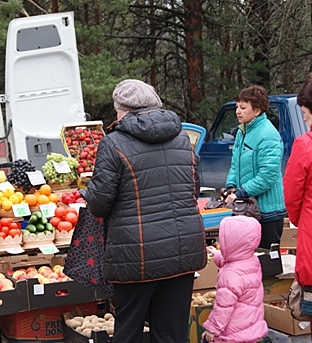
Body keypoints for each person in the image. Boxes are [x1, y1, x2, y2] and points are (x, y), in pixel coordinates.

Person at [84, 79, 207, 342]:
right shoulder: (182, 139)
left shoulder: (112, 143)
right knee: (172, 333)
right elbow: (192, 190)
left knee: (129, 331)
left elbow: (99, 204)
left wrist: (88, 190)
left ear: (122, 110)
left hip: (134, 254)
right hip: (182, 251)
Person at [223, 85, 286, 249]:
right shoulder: (241, 131)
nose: (238, 111)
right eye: (237, 106)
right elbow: (235, 164)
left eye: (243, 107)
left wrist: (241, 192)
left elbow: (268, 175)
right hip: (246, 210)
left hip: (267, 213)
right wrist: (230, 187)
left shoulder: (268, 134)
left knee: (266, 265)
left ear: (257, 111)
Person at [201, 216, 268, 343]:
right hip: (250, 326)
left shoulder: (230, 275)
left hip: (231, 333)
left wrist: (212, 328)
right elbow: (231, 260)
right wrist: (216, 254)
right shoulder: (251, 260)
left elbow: (223, 307)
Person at [283, 77, 312, 293]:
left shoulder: (305, 145)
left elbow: (292, 196)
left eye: (304, 113)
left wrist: (298, 220)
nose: (304, 119)